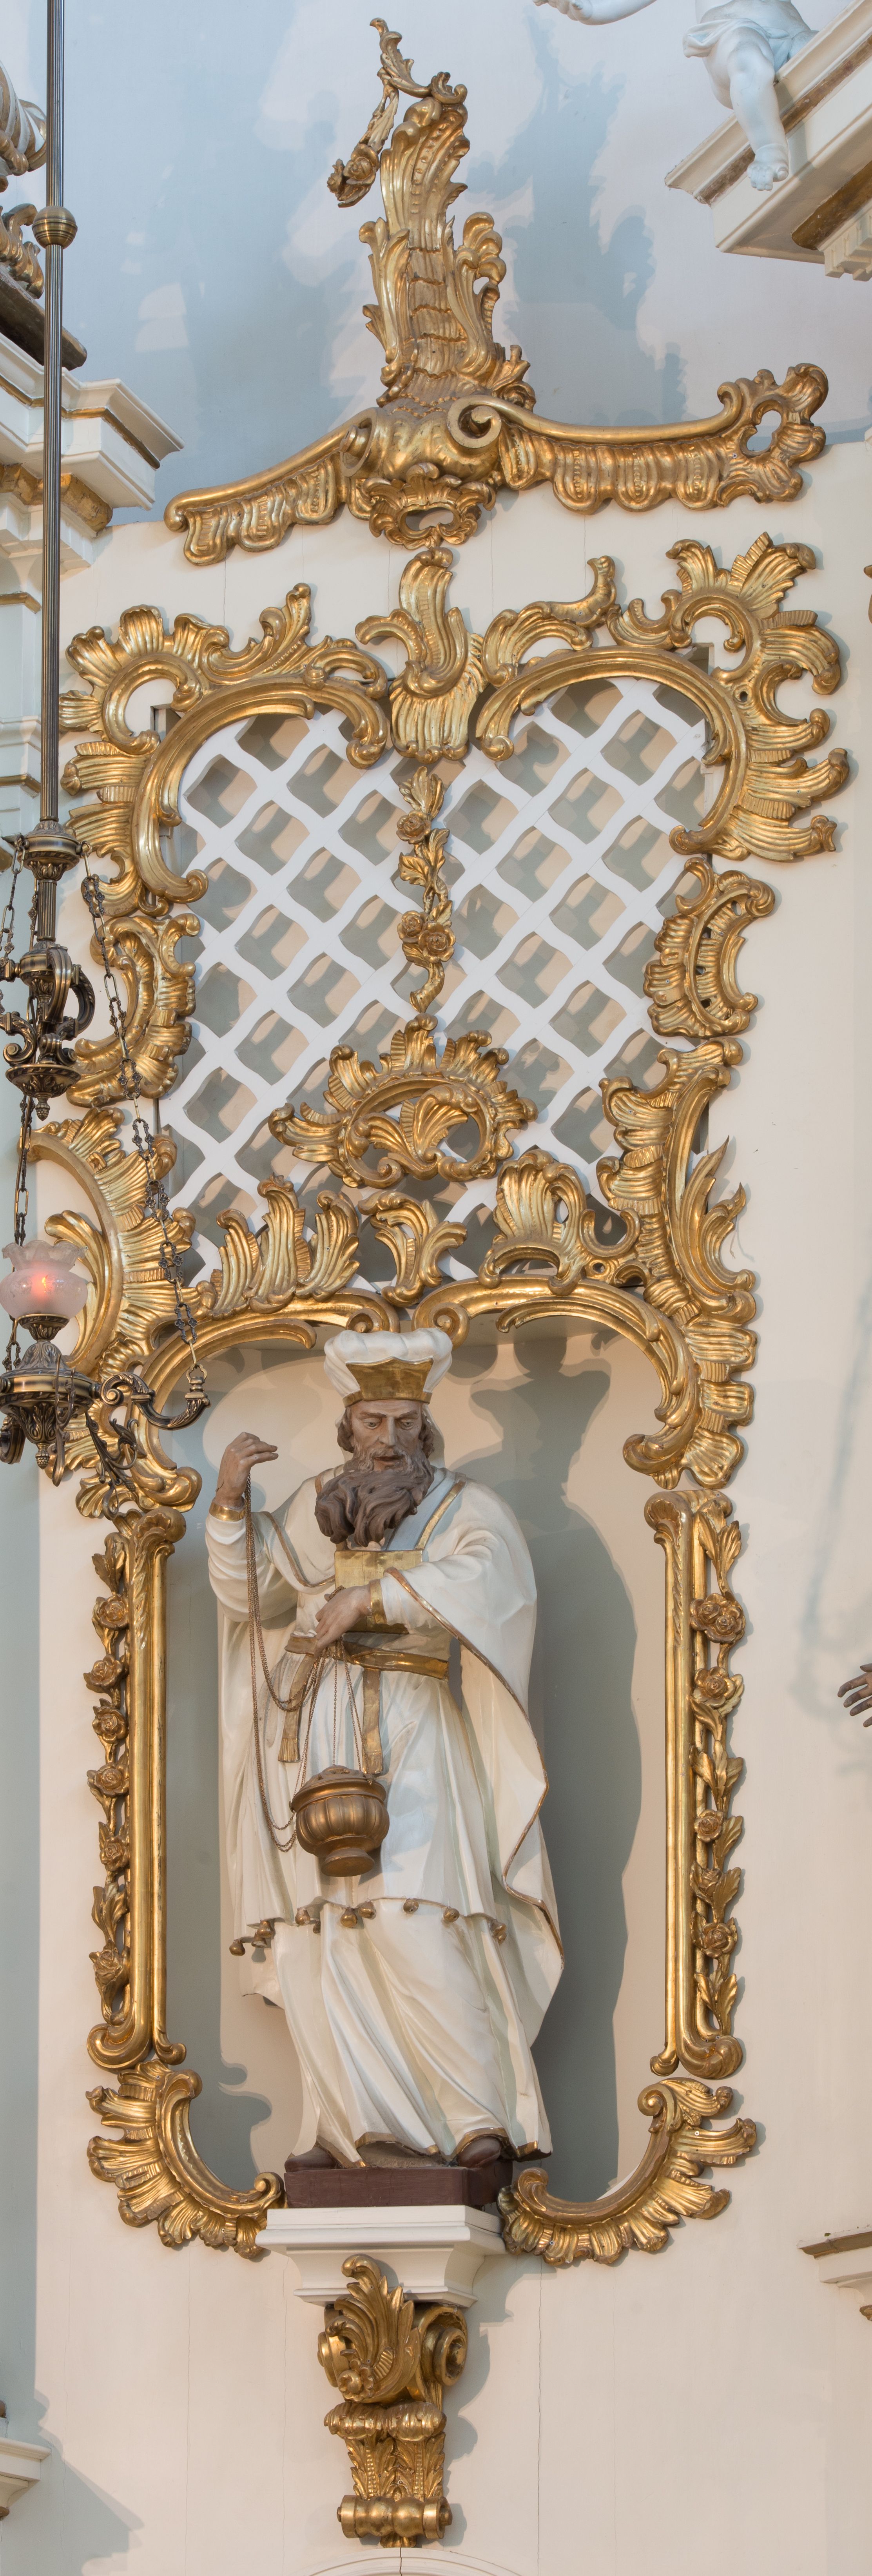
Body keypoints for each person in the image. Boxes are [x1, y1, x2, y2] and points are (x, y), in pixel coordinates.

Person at [206, 1326, 562, 2173]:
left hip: (414, 1718)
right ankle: (344, 2127)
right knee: (321, 1925)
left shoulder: (463, 1505)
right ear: (349, 1425)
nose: (389, 1439)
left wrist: (375, 1598)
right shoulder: (317, 1503)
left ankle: (475, 2121)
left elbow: (495, 1585)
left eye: (405, 1422)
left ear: (425, 1425)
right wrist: (228, 1504)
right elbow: (251, 1592)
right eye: (373, 1421)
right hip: (314, 1722)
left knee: (416, 1911)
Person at [535, 0, 814, 192]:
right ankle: (769, 148)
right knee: (748, 61)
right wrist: (590, 10)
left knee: (827, 50)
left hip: (794, 32)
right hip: (732, 31)